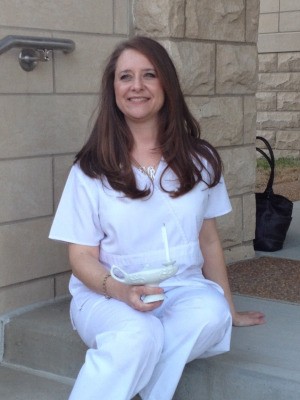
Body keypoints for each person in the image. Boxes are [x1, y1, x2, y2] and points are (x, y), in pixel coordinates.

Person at [49, 36, 265, 400]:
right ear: (113, 89)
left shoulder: (201, 160)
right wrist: (120, 291)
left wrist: (229, 309)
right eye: (125, 77)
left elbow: (208, 239)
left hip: (181, 288)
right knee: (139, 335)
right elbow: (81, 256)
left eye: (149, 75)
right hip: (106, 294)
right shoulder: (91, 168)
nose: (136, 86)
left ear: (166, 84)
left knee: (211, 316)